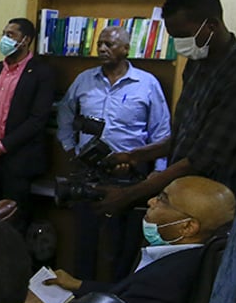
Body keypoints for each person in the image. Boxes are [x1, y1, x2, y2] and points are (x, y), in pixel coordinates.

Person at [32, 175, 235, 303]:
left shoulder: (164, 284)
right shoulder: (185, 258)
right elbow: (127, 298)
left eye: (162, 200)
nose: (150, 201)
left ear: (187, 227)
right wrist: (78, 285)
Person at [97, 0, 236, 212]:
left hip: (214, 201)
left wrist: (130, 194)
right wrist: (134, 156)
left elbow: (203, 159)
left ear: (211, 25)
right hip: (180, 190)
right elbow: (185, 136)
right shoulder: (197, 62)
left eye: (183, 36)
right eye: (173, 37)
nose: (179, 44)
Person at [57, 25, 171, 280]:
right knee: (85, 241)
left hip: (129, 177)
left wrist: (158, 173)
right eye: (100, 44)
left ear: (126, 49)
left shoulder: (147, 83)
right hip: (89, 173)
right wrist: (69, 146)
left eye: (109, 44)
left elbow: (162, 132)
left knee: (121, 246)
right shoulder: (84, 79)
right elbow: (65, 112)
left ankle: (115, 297)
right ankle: (79, 296)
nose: (103, 49)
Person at [0, 17, 57, 225]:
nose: (5, 40)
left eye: (10, 35)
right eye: (4, 34)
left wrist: (1, 147)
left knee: (14, 220)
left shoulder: (41, 72)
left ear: (25, 40)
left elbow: (37, 119)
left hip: (18, 158)